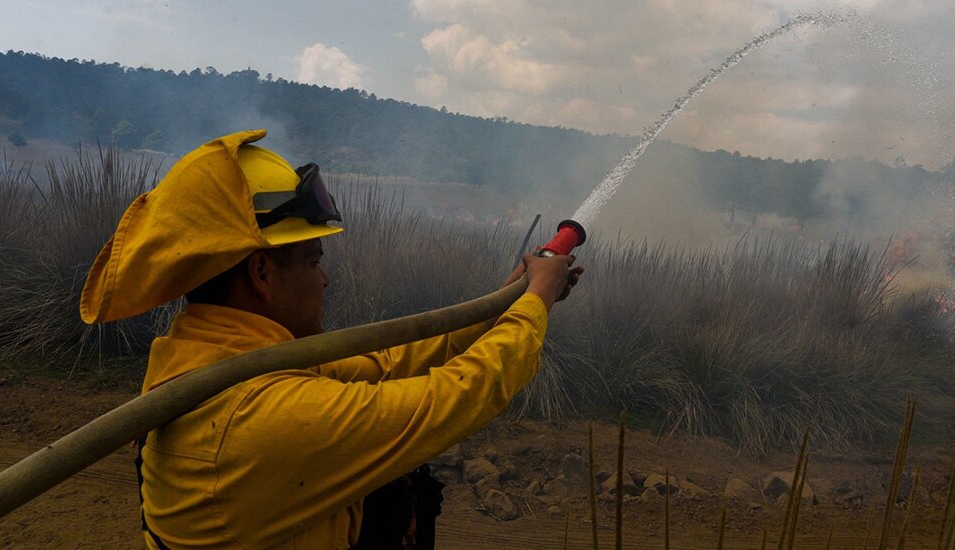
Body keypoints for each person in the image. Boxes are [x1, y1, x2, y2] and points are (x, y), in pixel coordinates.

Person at [78, 129, 583, 549]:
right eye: (314, 262)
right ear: (260, 272)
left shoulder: (220, 355)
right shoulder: (262, 416)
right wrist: (534, 303)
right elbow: (454, 396)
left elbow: (387, 365)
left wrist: (508, 302)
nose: (325, 280)